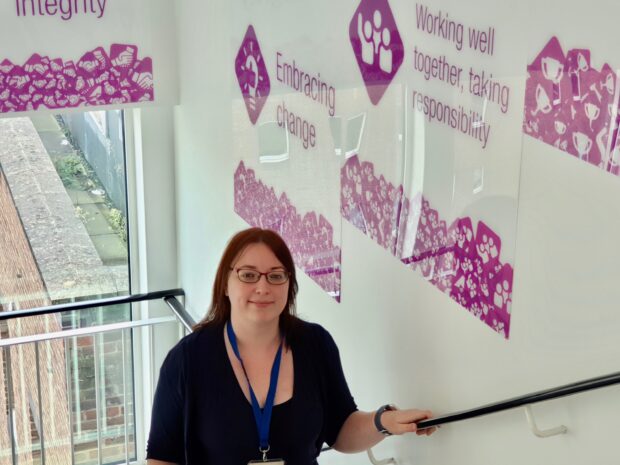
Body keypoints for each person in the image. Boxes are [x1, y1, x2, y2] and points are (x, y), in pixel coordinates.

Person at [146, 227, 436, 465]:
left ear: (289, 285)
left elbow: (341, 429)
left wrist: (383, 421)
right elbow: (162, 456)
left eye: (276, 275)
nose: (263, 287)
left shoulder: (315, 344)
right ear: (225, 283)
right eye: (248, 275)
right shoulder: (187, 360)